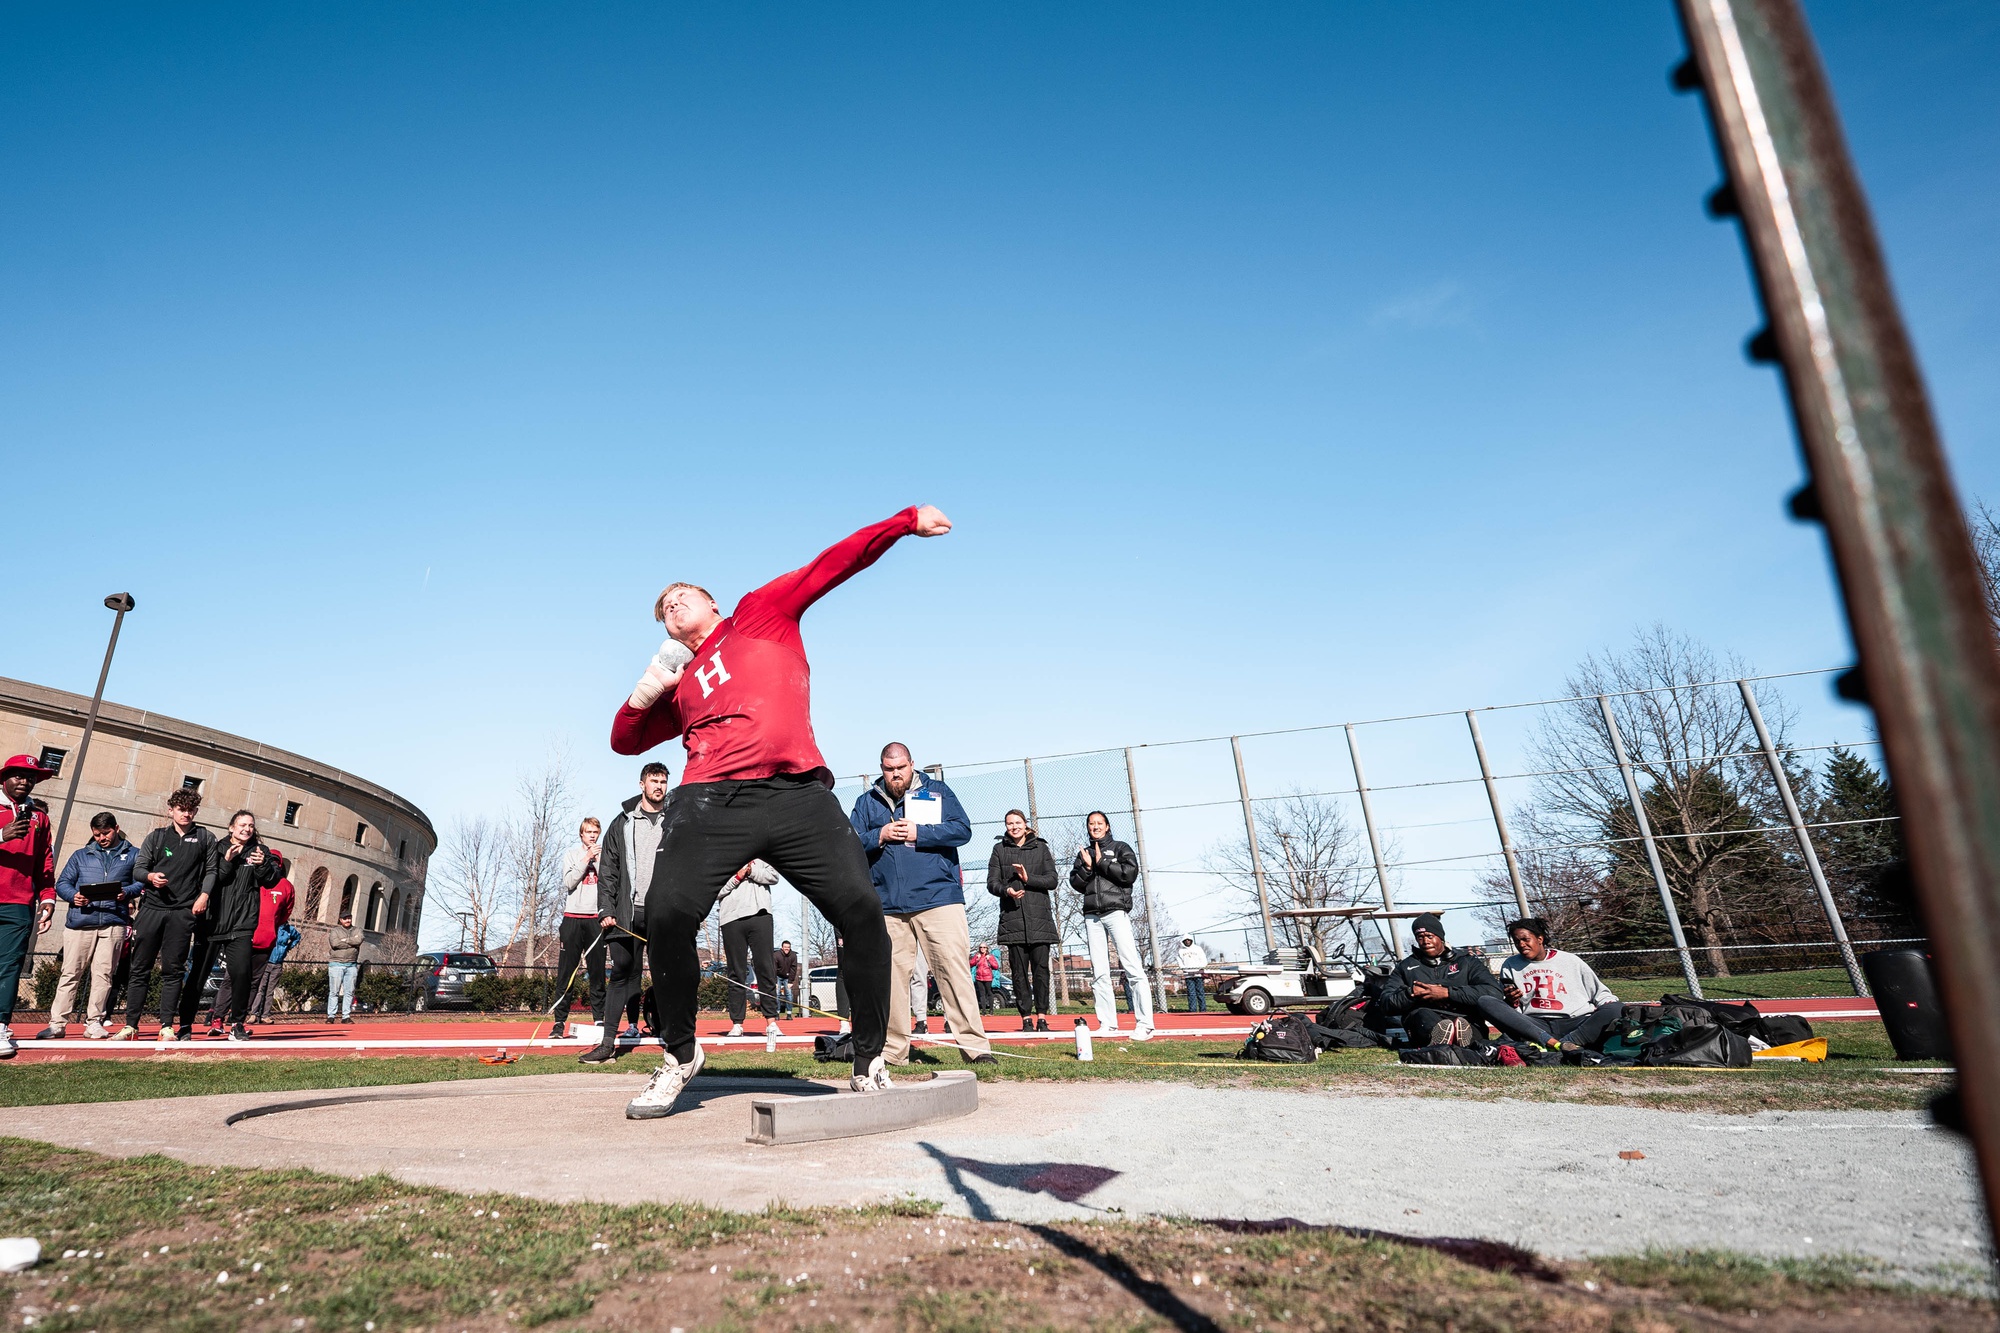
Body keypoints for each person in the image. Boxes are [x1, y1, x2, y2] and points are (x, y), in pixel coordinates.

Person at [607, 505, 953, 1116]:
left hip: (796, 794)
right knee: (665, 912)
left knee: (862, 911)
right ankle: (681, 1053)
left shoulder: (758, 615)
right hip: (710, 799)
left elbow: (831, 566)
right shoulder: (683, 687)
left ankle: (870, 1056)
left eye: (682, 596)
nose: (672, 606)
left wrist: (902, 523)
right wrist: (650, 684)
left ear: (712, 605)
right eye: (663, 609)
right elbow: (624, 739)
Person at [851, 743, 994, 1065]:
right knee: (891, 981)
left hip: (938, 899)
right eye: (889, 768)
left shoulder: (938, 791)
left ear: (912, 764)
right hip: (887, 905)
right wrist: (880, 835)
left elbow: (962, 830)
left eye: (901, 767)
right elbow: (849, 843)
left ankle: (975, 1049)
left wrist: (921, 832)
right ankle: (893, 1053)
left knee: (953, 974)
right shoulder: (865, 803)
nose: (896, 773)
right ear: (882, 768)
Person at [579, 762, 670, 1064]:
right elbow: (608, 870)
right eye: (654, 780)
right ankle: (608, 1044)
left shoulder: (675, 819)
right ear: (641, 784)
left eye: (663, 781)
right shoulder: (622, 823)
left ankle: (675, 1039)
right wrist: (605, 907)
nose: (659, 786)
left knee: (666, 973)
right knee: (621, 972)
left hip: (661, 913)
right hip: (624, 913)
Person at [113, 787, 216, 1041]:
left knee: (174, 970)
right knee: (140, 968)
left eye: (191, 810)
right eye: (181, 809)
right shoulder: (156, 837)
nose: (186, 814)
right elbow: (138, 869)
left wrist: (203, 895)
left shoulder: (205, 838)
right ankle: (131, 1025)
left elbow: (212, 871)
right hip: (152, 909)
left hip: (182, 912)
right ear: (171, 810)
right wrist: (149, 877)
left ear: (196, 811)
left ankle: (167, 1025)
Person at [177, 811, 283, 1041]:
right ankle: (185, 1025)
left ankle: (237, 1025)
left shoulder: (260, 851)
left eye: (251, 826)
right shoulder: (215, 848)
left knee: (242, 975)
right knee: (197, 976)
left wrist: (263, 865)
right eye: (242, 825)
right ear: (231, 827)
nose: (247, 829)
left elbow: (272, 880)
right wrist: (226, 861)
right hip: (211, 923)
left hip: (242, 925)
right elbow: (210, 880)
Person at [1371, 912, 1549, 1047]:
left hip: (1464, 1017)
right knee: (1422, 1016)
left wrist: (1447, 992)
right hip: (1426, 1018)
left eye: (1430, 936)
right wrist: (1411, 994)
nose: (1425, 941)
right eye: (1420, 937)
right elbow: (1386, 1003)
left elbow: (1492, 992)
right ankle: (1443, 1037)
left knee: (1463, 1024)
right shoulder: (1406, 966)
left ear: (1441, 937)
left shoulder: (1467, 962)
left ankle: (1460, 1037)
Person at [39, 813, 139, 1040]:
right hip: (80, 923)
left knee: (103, 975)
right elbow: (62, 882)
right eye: (97, 834)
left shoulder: (133, 854)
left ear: (116, 828)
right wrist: (74, 896)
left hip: (113, 922)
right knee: (70, 974)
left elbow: (140, 882)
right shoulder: (80, 855)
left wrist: (127, 893)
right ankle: (57, 1024)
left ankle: (94, 1022)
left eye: (106, 833)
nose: (102, 838)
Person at [1069, 811, 1154, 1040]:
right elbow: (1075, 882)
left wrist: (1102, 863)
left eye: (1099, 823)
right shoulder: (1084, 853)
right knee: (1099, 971)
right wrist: (1087, 868)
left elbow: (1129, 875)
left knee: (1132, 966)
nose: (1095, 827)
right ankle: (1107, 1023)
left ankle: (1145, 1024)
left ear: (1107, 826)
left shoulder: (1120, 847)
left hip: (1116, 912)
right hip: (1092, 916)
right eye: (1091, 824)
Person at [0, 755, 60, 1057]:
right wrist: (1, 835)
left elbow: (44, 864)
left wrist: (48, 897)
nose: (25, 780)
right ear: (4, 778)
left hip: (19, 903)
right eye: (19, 775)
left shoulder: (39, 817)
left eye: (31, 776)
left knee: (9, 967)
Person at [1498, 917, 1625, 1052]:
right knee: (1485, 1001)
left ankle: (1566, 1043)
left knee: (1616, 1008)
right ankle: (1555, 1044)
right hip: (1535, 1024)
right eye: (1517, 941)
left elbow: (1600, 994)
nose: (1521, 944)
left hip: (1575, 1021)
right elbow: (1510, 1010)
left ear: (1539, 939)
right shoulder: (1509, 965)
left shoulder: (1571, 960)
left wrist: (1612, 1008)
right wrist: (1512, 1001)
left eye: (1525, 939)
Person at [206, 846, 290, 1034]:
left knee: (252, 983)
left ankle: (238, 1023)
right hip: (243, 936)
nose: (272, 864)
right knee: (232, 979)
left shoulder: (285, 886)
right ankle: (217, 1018)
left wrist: (270, 927)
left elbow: (284, 915)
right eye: (270, 860)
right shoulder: (250, 878)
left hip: (266, 940)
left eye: (276, 862)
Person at [988, 809, 1057, 1032]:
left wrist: (1029, 879)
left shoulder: (1041, 848)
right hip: (1013, 920)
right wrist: (1006, 890)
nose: (1014, 826)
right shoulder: (999, 850)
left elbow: (1052, 879)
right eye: (1010, 823)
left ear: (1025, 825)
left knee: (1041, 972)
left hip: (1040, 921)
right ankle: (1026, 1017)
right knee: (1018, 973)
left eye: (1018, 822)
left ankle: (1042, 1017)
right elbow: (991, 883)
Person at [552, 817, 608, 1039]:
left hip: (596, 919)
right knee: (566, 973)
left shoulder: (607, 856)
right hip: (573, 918)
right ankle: (558, 1023)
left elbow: (611, 883)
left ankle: (600, 1020)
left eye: (595, 832)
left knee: (597, 973)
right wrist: (587, 858)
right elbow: (569, 882)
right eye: (588, 832)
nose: (592, 835)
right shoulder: (572, 855)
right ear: (581, 835)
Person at [718, 859, 782, 1038]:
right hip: (731, 918)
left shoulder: (762, 855)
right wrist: (738, 876)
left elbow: (774, 876)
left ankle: (771, 1022)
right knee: (736, 972)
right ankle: (737, 1023)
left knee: (765, 968)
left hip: (760, 915)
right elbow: (716, 891)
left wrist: (751, 870)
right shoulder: (722, 854)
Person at [248, 917, 301, 1024]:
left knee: (270, 991)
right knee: (260, 989)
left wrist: (288, 947)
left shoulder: (289, 929)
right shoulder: (271, 926)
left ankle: (265, 1015)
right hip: (266, 962)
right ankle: (253, 1014)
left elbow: (297, 937)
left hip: (278, 963)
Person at [326, 909, 364, 1023]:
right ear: (340, 920)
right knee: (334, 991)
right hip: (336, 964)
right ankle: (331, 1016)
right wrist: (352, 942)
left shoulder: (357, 930)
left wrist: (345, 940)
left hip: (352, 965)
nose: (348, 920)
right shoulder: (335, 931)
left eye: (349, 918)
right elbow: (335, 943)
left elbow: (359, 940)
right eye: (345, 918)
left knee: (349, 992)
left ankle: (346, 1016)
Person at [1177, 935, 1210, 1014]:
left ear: (1191, 940)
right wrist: (1185, 969)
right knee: (1191, 993)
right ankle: (1193, 1011)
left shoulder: (1198, 949)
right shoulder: (1180, 951)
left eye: (1189, 940)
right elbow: (1180, 962)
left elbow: (1203, 960)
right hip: (1188, 975)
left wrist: (1200, 968)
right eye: (1185, 940)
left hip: (1198, 974)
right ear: (1183, 941)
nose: (1187, 941)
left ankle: (1203, 1010)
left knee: (1200, 992)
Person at [774, 939, 800, 1017]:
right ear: (782, 947)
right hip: (778, 976)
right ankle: (777, 1012)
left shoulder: (793, 955)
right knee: (777, 994)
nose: (787, 949)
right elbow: (773, 968)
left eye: (788, 947)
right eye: (785, 947)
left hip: (787, 977)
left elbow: (793, 968)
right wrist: (775, 981)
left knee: (789, 994)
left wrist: (790, 981)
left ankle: (789, 1013)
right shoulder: (776, 955)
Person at [971, 946, 995, 1013]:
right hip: (979, 978)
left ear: (987, 948)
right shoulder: (977, 956)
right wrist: (976, 959)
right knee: (982, 994)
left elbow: (996, 966)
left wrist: (989, 959)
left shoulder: (990, 956)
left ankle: (991, 1010)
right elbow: (971, 964)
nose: (982, 949)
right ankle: (983, 1010)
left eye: (984, 947)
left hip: (988, 977)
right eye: (981, 947)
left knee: (989, 993)